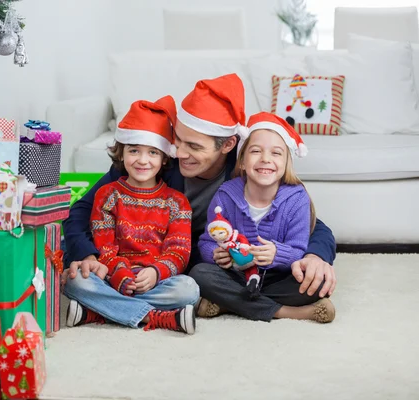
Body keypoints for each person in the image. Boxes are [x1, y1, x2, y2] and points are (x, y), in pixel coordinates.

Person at [62, 73, 337, 320]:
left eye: (193, 146)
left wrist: (315, 256)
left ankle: (230, 303)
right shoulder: (152, 161)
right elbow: (80, 211)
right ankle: (163, 313)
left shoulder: (245, 170)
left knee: (304, 280)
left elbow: (312, 223)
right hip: (149, 262)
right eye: (178, 140)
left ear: (227, 145)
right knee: (79, 274)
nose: (179, 153)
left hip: (186, 265)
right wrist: (89, 255)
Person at [63, 95, 199, 334]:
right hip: (113, 275)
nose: (143, 160)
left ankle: (97, 312)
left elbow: (179, 249)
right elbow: (104, 244)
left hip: (155, 279)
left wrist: (157, 272)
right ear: (121, 153)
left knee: (189, 289)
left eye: (153, 153)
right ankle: (155, 317)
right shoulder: (107, 195)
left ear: (165, 157)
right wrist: (119, 272)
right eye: (134, 150)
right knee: (74, 279)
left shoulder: (177, 202)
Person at [195, 112, 335, 323]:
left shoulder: (297, 199)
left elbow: (298, 250)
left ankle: (228, 303)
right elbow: (206, 241)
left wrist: (277, 255)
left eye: (276, 153)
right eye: (255, 151)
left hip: (276, 277)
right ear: (241, 161)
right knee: (199, 274)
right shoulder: (225, 196)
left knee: (316, 282)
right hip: (238, 276)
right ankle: (284, 311)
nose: (265, 159)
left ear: (287, 162)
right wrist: (215, 255)